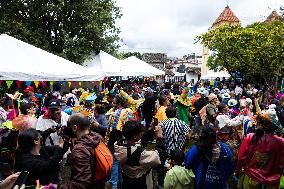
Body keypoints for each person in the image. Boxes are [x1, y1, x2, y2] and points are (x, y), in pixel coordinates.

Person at [236, 111, 284, 189]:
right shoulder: (281, 142)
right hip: (271, 183)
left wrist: (238, 172)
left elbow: (241, 158)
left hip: (251, 180)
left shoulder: (251, 137)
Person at [114, 120, 163, 189]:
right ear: (135, 137)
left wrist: (151, 131)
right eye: (141, 134)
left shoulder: (120, 145)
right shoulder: (138, 154)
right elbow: (157, 158)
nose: (141, 136)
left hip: (127, 180)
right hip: (140, 183)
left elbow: (139, 142)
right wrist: (159, 138)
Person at [59, 113, 103, 189]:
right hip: (98, 182)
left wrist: (59, 187)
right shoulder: (96, 137)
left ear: (75, 128)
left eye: (69, 126)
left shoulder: (79, 150)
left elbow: (82, 183)